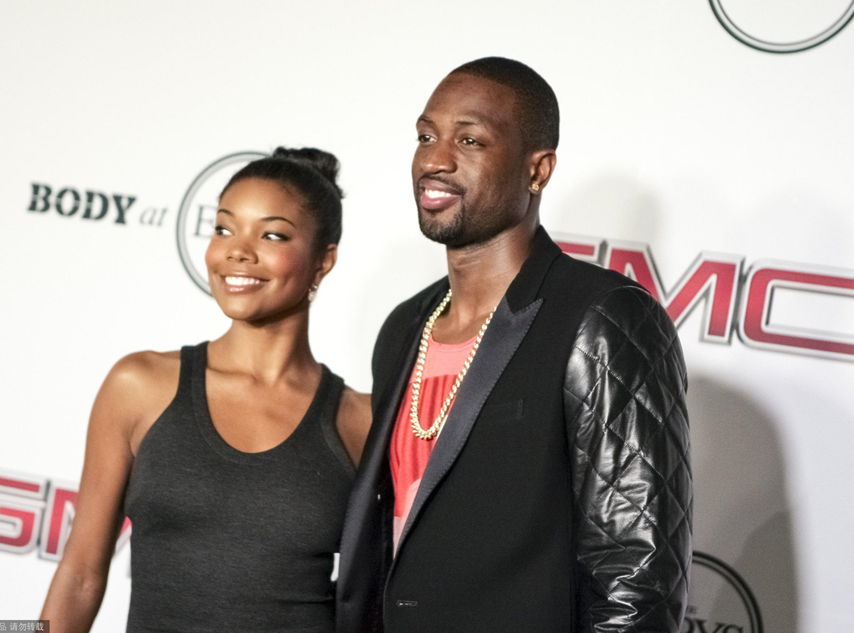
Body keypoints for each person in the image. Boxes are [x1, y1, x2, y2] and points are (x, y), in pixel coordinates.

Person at [336, 57, 692, 632]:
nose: (435, 159)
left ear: (538, 170)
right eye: (426, 135)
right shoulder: (406, 326)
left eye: (469, 140)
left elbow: (636, 569)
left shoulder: (601, 318)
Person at [41, 147, 371, 633]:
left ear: (324, 261)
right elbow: (81, 575)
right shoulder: (139, 385)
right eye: (223, 228)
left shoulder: (360, 420)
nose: (237, 250)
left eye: (273, 234)